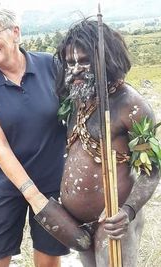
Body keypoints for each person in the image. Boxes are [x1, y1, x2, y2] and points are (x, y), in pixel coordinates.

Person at [0, 7, 70, 267]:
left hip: (52, 183)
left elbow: (77, 115)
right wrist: (32, 195)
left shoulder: (50, 65)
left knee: (48, 261)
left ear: (15, 32)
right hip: (5, 186)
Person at [55, 18, 160, 267]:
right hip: (78, 225)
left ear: (106, 60)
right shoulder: (77, 97)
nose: (75, 70)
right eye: (70, 63)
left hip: (113, 222)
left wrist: (128, 211)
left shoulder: (130, 106)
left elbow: (151, 170)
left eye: (84, 61)